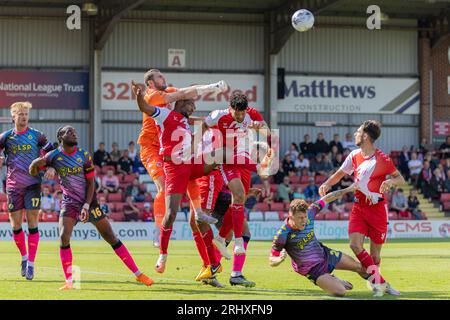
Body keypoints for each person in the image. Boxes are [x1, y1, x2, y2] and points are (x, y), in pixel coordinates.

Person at [29, 126, 153, 290]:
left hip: (90, 202)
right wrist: (36, 164)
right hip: (69, 202)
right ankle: (69, 281)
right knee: (63, 236)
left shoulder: (84, 155)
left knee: (111, 237)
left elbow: (90, 183)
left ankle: (138, 274)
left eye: (74, 131)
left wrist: (86, 206)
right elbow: (33, 171)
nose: (74, 133)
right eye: (69, 131)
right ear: (60, 137)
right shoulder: (53, 156)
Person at [136, 69, 227, 256]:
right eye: (159, 76)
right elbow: (185, 93)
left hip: (168, 147)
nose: (164, 78)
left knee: (190, 175)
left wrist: (206, 119)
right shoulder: (153, 95)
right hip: (150, 147)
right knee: (163, 187)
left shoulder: (168, 92)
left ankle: (199, 212)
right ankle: (157, 229)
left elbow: (188, 94)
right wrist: (213, 87)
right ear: (150, 83)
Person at [319, 120, 404, 297]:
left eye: (358, 131)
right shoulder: (354, 155)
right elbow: (340, 174)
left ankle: (376, 283)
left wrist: (390, 181)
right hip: (359, 207)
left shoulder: (383, 159)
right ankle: (380, 282)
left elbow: (400, 179)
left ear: (365, 136)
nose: (356, 134)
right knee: (354, 245)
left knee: (375, 257)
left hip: (378, 210)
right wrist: (327, 184)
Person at [269, 184, 371, 297]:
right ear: (291, 216)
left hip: (325, 254)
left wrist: (348, 189)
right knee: (341, 292)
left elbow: (327, 198)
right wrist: (279, 259)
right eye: (300, 218)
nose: (304, 221)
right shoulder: (282, 234)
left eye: (305, 217)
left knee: (361, 268)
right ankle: (331, 279)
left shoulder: (310, 212)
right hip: (312, 269)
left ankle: (381, 286)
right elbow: (271, 259)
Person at [201, 92, 270, 257]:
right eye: (236, 113)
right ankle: (238, 241)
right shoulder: (219, 115)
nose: (240, 116)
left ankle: (220, 238)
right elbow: (203, 126)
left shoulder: (251, 113)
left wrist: (267, 142)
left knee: (240, 200)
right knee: (239, 194)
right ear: (230, 108)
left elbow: (267, 132)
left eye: (242, 113)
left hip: (243, 157)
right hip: (227, 159)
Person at [0, 101, 56, 280]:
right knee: (15, 225)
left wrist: (51, 167)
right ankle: (24, 257)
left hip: (33, 184)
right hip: (13, 186)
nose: (24, 116)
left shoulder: (37, 136)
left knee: (32, 221)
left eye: (26, 114)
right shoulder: (6, 137)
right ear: (13, 117)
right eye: (20, 114)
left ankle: (31, 264)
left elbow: (51, 153)